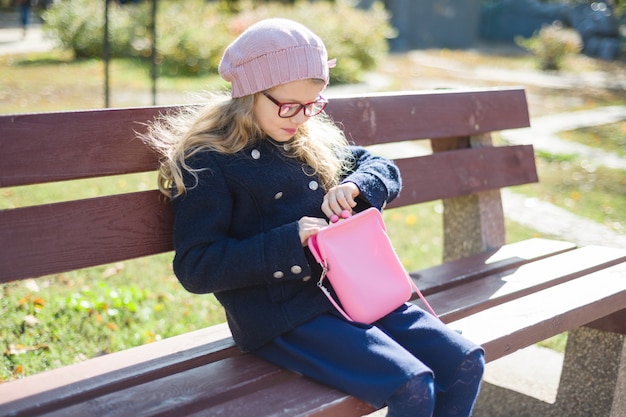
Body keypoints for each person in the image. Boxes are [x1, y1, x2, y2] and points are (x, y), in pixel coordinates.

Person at [141, 18, 484, 417]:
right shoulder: (210, 163)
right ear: (249, 91)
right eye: (290, 105)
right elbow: (196, 267)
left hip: (354, 291)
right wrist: (290, 241)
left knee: (465, 361)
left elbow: (381, 166)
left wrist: (358, 186)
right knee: (413, 385)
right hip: (283, 316)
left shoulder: (308, 140)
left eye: (313, 105)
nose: (302, 117)